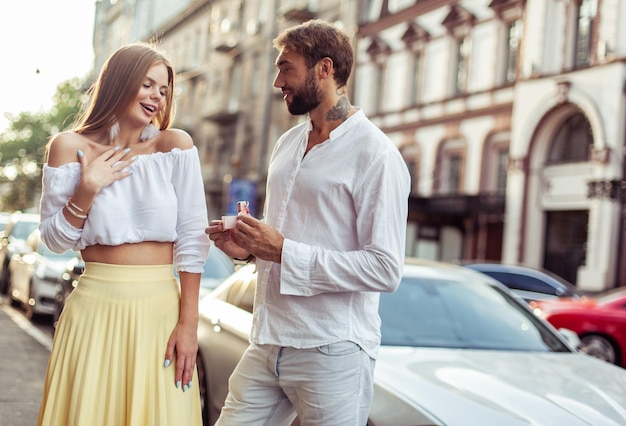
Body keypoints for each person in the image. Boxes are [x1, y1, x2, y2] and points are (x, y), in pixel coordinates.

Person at [206, 19, 411, 425]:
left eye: (286, 68)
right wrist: (248, 250)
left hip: (332, 349)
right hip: (267, 339)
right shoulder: (287, 143)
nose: (277, 81)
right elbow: (288, 234)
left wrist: (282, 251)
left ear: (325, 68)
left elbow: (386, 268)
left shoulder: (377, 155)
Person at [37, 42, 208, 425]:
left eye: (163, 90)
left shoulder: (174, 147)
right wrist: (87, 188)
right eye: (148, 84)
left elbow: (193, 240)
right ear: (119, 82)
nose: (157, 98)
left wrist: (189, 323)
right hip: (94, 310)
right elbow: (55, 240)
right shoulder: (70, 148)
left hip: (160, 312)